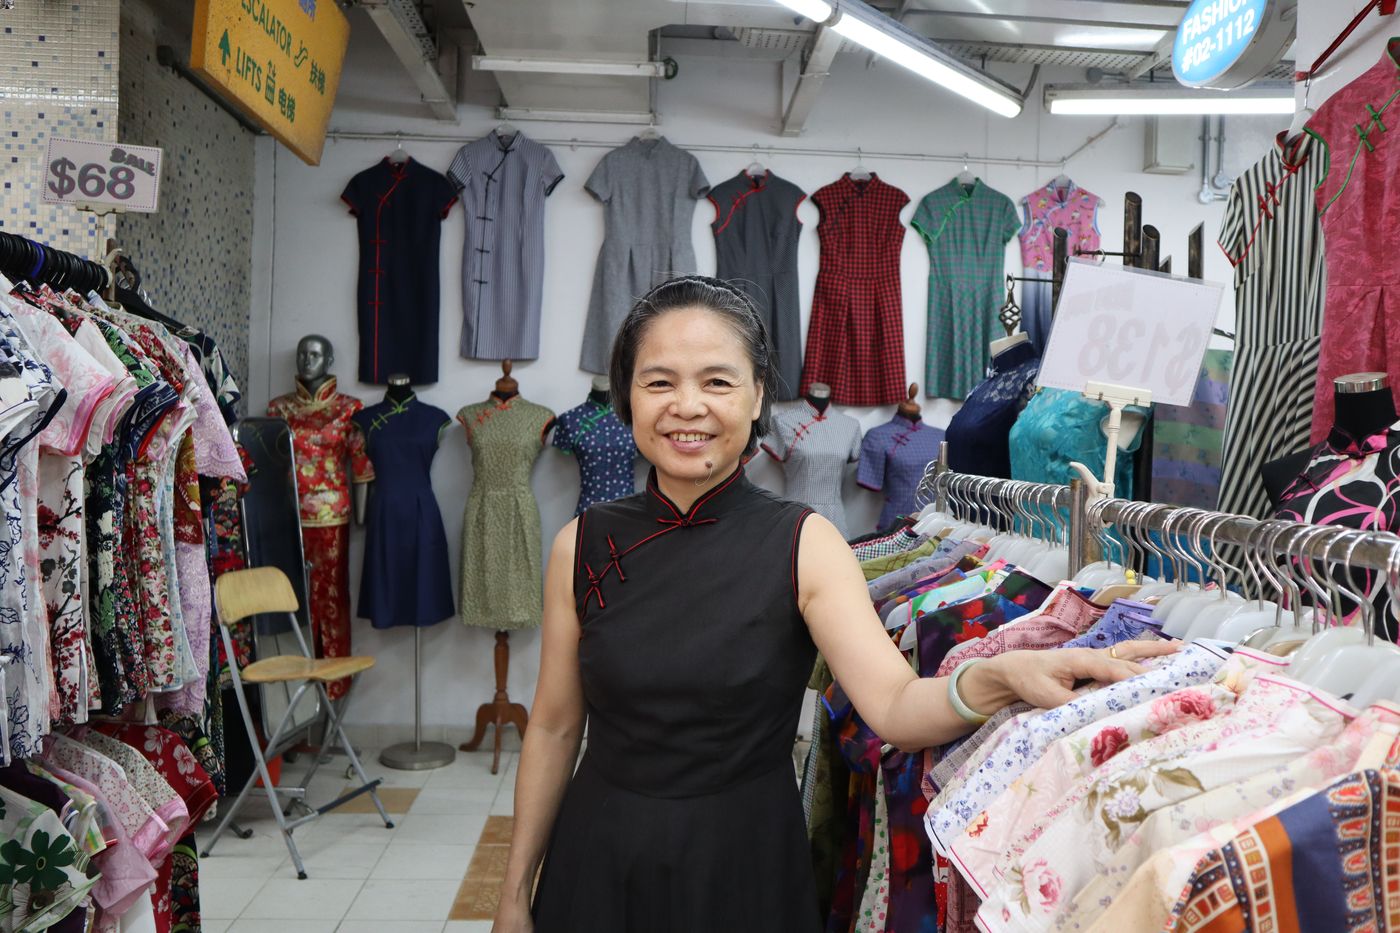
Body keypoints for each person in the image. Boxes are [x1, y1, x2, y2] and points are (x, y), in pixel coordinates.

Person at [492, 276, 1176, 933]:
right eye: (659, 381)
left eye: (717, 381)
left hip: (744, 864)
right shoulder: (581, 543)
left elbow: (897, 708)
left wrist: (1005, 674)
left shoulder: (803, 543)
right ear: (629, 397)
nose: (688, 405)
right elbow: (553, 727)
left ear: (758, 396)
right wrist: (515, 893)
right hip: (599, 858)